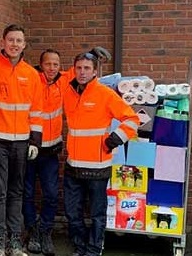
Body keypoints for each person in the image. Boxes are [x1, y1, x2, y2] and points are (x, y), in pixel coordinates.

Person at [61, 51, 139, 256]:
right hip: (73, 166)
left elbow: (132, 119)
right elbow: (54, 74)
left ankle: (94, 250)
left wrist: (115, 139)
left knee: (96, 214)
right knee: (72, 213)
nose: (82, 72)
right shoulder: (68, 91)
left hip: (97, 166)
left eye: (87, 68)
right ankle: (80, 247)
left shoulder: (105, 94)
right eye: (79, 68)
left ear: (95, 71)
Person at [0, 24, 43, 256]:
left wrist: (35, 142)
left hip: (21, 142)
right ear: (3, 42)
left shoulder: (31, 74)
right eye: (10, 40)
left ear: (24, 44)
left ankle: (15, 241)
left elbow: (37, 111)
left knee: (16, 192)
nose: (14, 44)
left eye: (19, 41)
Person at [23, 49, 66, 256]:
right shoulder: (32, 79)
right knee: (27, 193)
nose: (52, 68)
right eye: (48, 64)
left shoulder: (64, 81)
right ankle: (32, 231)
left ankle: (45, 231)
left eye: (56, 64)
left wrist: (94, 55)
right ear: (40, 65)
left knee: (50, 194)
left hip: (51, 150)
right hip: (31, 147)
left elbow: (85, 72)